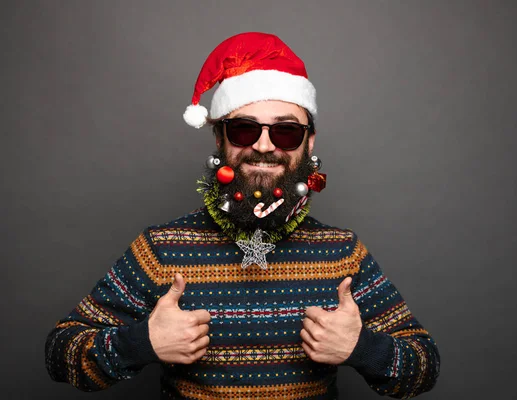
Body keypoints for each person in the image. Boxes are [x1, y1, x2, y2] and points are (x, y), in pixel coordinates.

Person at [45, 32, 440, 399]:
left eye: (286, 132)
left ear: (309, 141)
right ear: (219, 138)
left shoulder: (341, 251)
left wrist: (361, 348)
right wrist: (142, 343)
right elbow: (61, 356)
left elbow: (424, 366)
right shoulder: (162, 248)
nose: (265, 146)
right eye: (244, 130)